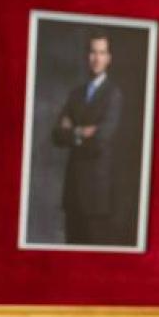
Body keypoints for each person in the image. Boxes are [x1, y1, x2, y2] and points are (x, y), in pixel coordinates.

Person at [52, 30, 123, 245]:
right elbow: (57, 135)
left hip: (96, 194)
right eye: (93, 52)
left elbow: (101, 140)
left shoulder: (113, 95)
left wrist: (72, 130)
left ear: (109, 58)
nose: (96, 58)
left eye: (102, 53)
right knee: (70, 250)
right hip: (73, 190)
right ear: (86, 56)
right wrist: (81, 132)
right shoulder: (75, 94)